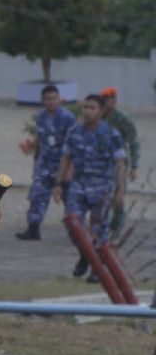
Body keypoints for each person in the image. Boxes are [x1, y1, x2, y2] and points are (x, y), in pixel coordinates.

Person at [53, 94, 125, 274]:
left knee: (99, 228)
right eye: (85, 107)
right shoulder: (74, 132)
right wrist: (58, 184)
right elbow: (66, 158)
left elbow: (120, 163)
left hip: (103, 187)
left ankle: (97, 269)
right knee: (72, 223)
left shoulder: (111, 134)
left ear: (101, 111)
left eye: (92, 108)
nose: (87, 111)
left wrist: (120, 191)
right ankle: (86, 255)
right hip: (79, 185)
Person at [16, 84, 75, 241]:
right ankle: (33, 229)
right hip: (45, 164)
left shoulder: (67, 117)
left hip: (62, 164)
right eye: (47, 99)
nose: (51, 102)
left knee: (70, 200)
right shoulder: (41, 117)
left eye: (54, 98)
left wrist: (71, 169)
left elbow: (74, 144)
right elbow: (40, 140)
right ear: (42, 100)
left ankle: (76, 231)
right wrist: (34, 155)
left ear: (59, 99)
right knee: (37, 195)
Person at [99, 87, 139, 236]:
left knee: (118, 196)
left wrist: (134, 165)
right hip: (100, 162)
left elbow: (133, 142)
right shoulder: (98, 117)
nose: (106, 103)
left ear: (114, 101)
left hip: (118, 163)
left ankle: (116, 227)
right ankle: (100, 227)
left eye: (109, 100)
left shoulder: (122, 119)